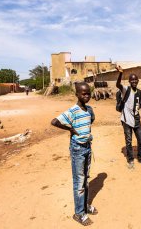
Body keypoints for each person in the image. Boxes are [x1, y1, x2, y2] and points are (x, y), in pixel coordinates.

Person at [51, 82, 97, 226]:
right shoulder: (73, 111)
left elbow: (91, 120)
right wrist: (71, 129)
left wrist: (84, 132)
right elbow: (54, 121)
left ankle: (85, 207)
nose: (86, 96)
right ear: (76, 94)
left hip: (88, 148)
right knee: (79, 182)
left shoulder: (89, 110)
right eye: (83, 93)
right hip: (77, 149)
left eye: (88, 93)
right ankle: (79, 213)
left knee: (86, 179)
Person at [115, 65, 141, 169]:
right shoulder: (126, 89)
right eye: (132, 80)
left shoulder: (140, 93)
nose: (134, 81)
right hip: (126, 119)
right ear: (129, 81)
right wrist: (121, 73)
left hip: (137, 119)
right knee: (129, 141)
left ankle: (140, 158)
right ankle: (130, 160)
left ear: (138, 81)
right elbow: (118, 84)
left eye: (136, 80)